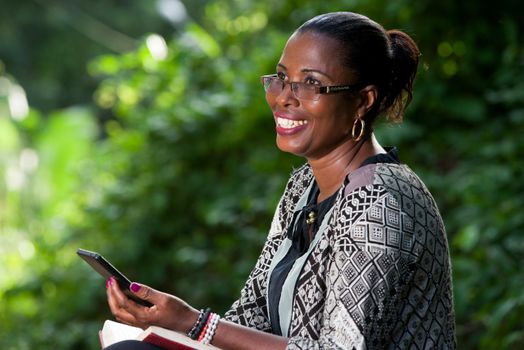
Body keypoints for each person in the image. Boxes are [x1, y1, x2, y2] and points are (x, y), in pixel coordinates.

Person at [105, 11, 456, 350]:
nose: (284, 97)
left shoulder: (381, 202)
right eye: (282, 77)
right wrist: (169, 324)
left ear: (364, 100)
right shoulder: (303, 188)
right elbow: (251, 317)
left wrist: (196, 324)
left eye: (312, 83)